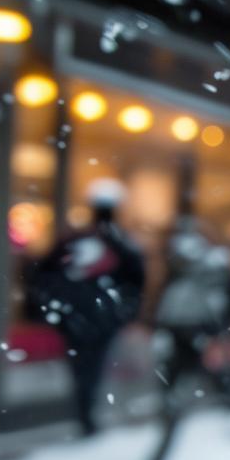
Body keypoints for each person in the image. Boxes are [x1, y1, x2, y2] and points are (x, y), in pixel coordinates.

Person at [30, 179, 145, 437]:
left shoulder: (78, 239)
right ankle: (88, 414)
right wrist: (125, 312)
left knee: (84, 369)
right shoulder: (120, 243)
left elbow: (44, 274)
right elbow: (136, 281)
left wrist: (56, 308)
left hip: (79, 317)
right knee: (94, 368)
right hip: (98, 317)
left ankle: (86, 413)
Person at [147, 216, 230, 460]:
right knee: (211, 388)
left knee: (188, 394)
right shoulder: (196, 266)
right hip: (188, 338)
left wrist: (214, 337)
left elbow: (227, 303)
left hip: (188, 338)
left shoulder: (202, 267)